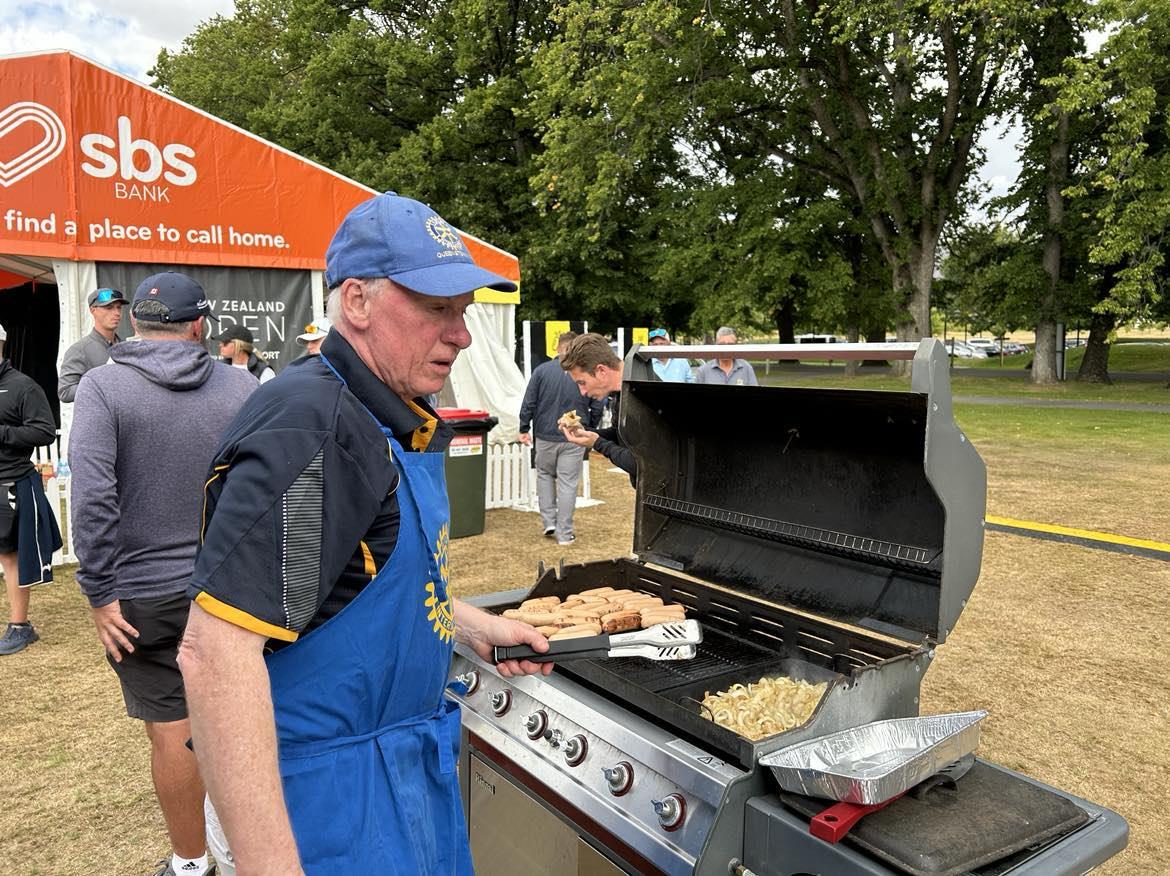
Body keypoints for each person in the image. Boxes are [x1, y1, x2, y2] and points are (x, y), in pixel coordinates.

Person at [178, 192, 552, 875]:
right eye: (437, 309)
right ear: (356, 301)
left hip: (392, 772)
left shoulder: (381, 412)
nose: (462, 335)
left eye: (464, 311)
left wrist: (469, 626)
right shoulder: (319, 433)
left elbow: (354, 578)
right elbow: (215, 654)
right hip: (324, 801)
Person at [70, 272, 257, 876]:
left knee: (172, 728)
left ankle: (192, 863)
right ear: (199, 326)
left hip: (144, 594)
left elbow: (92, 497)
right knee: (247, 718)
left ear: (133, 323)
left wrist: (99, 593)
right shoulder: (242, 385)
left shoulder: (103, 387)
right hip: (231, 583)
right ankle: (251, 851)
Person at [0, 323, 60, 655]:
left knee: (11, 557)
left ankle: (20, 626)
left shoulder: (22, 386)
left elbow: (45, 431)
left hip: (10, 481)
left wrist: (3, 433)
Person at [517, 331, 603, 545]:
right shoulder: (584, 372)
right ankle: (564, 533)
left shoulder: (541, 371)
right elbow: (597, 404)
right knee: (568, 483)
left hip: (545, 434)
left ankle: (549, 522)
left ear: (557, 347)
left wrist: (524, 426)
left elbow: (529, 401)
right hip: (574, 436)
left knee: (544, 476)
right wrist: (590, 428)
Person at [559, 332, 637, 483]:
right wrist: (584, 431)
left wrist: (598, 443)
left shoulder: (640, 395)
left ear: (601, 371)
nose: (582, 392)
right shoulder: (622, 392)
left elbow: (640, 463)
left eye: (582, 383)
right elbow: (621, 434)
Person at [58, 287, 128, 402]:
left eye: (118, 307)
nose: (116, 313)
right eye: (109, 308)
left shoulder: (125, 347)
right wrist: (100, 385)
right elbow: (65, 392)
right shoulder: (79, 350)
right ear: (92, 310)